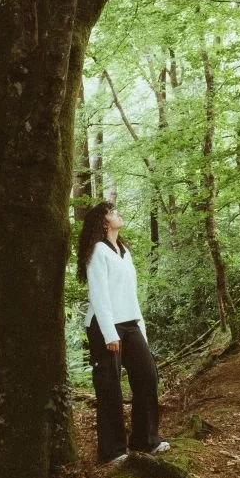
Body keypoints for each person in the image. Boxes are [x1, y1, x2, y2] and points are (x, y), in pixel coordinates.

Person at [76, 198, 170, 464]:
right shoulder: (97, 251)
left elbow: (130, 294)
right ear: (104, 222)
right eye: (113, 212)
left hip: (130, 323)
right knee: (109, 388)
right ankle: (112, 452)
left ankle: (146, 440)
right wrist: (109, 333)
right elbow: (99, 295)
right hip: (105, 326)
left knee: (147, 377)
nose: (118, 214)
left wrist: (141, 327)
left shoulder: (124, 251)